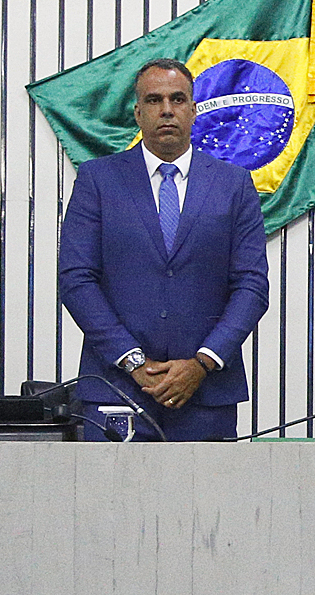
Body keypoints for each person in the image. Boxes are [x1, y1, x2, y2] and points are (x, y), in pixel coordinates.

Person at [59, 59, 271, 442]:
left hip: (207, 394)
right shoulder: (98, 180)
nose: (167, 109)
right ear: (138, 113)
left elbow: (252, 286)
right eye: (154, 100)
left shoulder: (234, 185)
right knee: (110, 503)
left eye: (178, 99)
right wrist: (133, 361)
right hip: (116, 390)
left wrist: (203, 362)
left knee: (209, 504)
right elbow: (76, 280)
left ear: (193, 109)